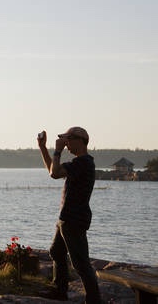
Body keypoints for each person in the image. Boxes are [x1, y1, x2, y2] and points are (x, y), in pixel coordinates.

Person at [37, 126, 101, 303]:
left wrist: (57, 150)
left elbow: (55, 173)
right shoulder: (79, 163)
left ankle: (94, 299)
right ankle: (60, 290)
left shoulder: (84, 162)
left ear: (79, 140)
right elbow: (53, 170)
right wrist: (43, 148)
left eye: (68, 140)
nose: (66, 145)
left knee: (80, 263)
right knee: (56, 252)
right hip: (66, 218)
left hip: (74, 219)